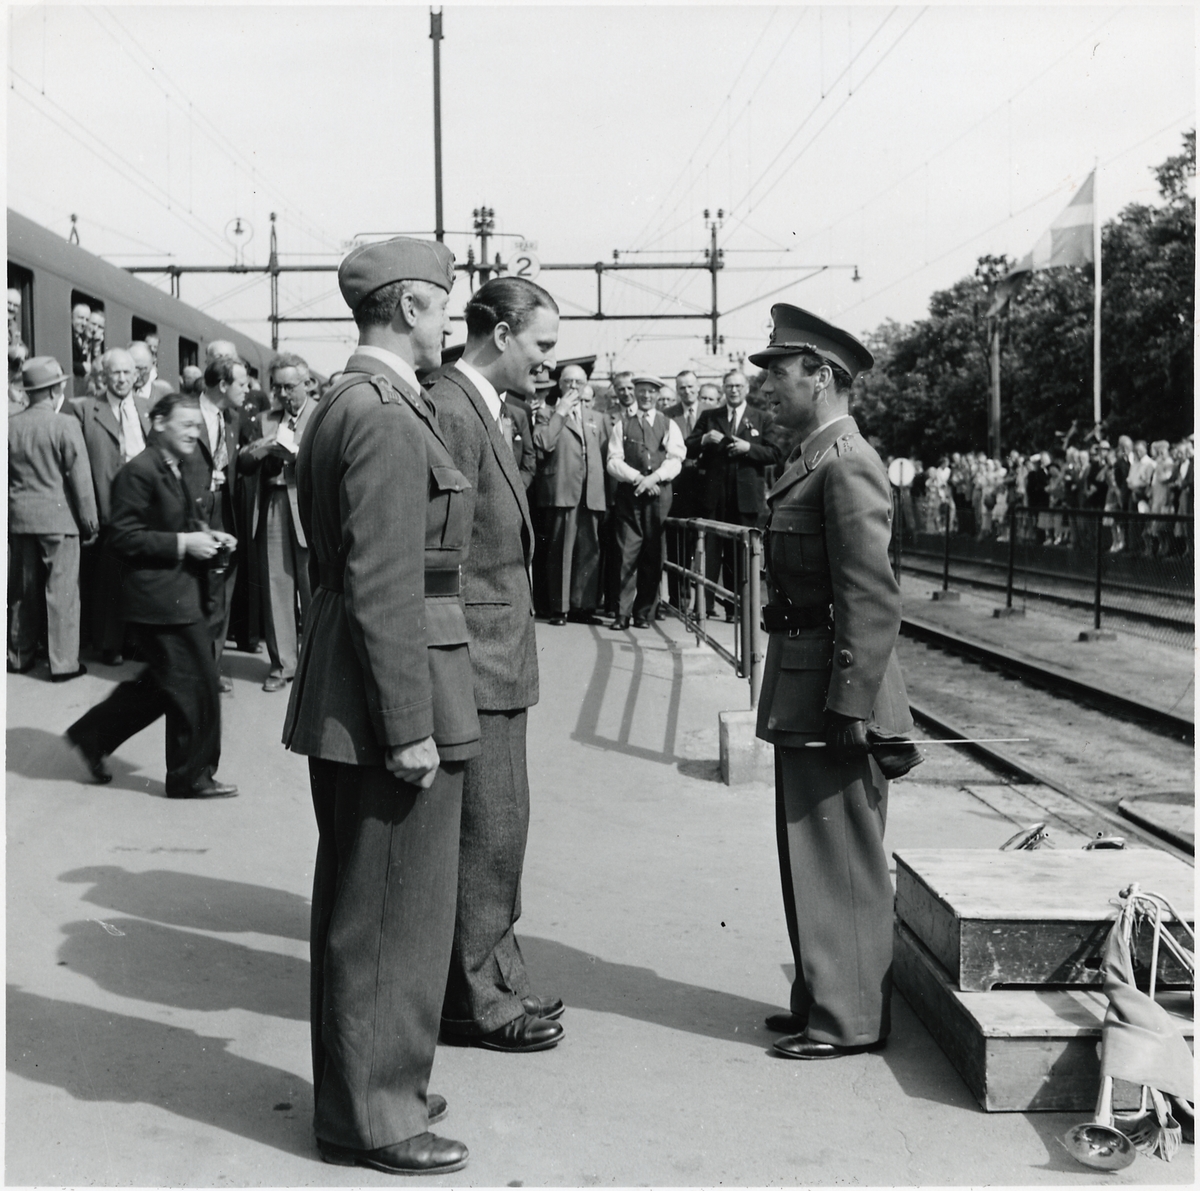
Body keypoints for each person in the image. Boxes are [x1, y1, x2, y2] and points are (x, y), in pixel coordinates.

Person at [281, 235, 475, 1176]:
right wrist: (410, 728)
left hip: (348, 682)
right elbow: (386, 581)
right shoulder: (388, 415)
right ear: (407, 307)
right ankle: (376, 1113)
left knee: (362, 902)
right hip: (391, 692)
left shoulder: (342, 401)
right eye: (443, 306)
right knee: (395, 910)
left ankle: (369, 1083)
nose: (449, 323)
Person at [750, 303, 912, 1060]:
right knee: (812, 849)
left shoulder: (846, 463)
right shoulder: (815, 459)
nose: (767, 387)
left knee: (840, 852)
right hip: (806, 680)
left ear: (820, 376)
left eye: (778, 373)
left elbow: (870, 596)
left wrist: (851, 705)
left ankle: (848, 1020)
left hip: (833, 691)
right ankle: (822, 995)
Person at [426, 275, 566, 1053]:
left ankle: (498, 975)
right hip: (477, 653)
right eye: (543, 344)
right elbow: (437, 552)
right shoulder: (455, 408)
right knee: (487, 831)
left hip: (495, 645)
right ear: (503, 333)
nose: (550, 360)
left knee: (500, 828)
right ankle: (477, 1000)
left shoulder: (482, 404)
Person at [64, 391, 237, 797]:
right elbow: (122, 537)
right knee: (197, 686)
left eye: (197, 426)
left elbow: (175, 519)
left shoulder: (172, 465)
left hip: (177, 595)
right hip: (159, 601)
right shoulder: (139, 471)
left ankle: (92, 735)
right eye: (186, 425)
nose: (194, 433)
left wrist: (209, 535)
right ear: (158, 424)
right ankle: (190, 778)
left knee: (165, 684)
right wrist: (184, 544)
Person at [8, 356, 99, 680]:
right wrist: (90, 523)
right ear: (52, 390)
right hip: (59, 521)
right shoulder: (65, 424)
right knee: (62, 593)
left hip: (20, 519)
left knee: (22, 592)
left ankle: (18, 656)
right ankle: (63, 663)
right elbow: (80, 481)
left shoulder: (10, 425)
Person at [70, 348, 152, 663]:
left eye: (127, 372)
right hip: (108, 503)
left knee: (141, 576)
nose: (121, 379)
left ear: (136, 375)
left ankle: (138, 642)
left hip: (145, 502)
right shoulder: (84, 410)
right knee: (110, 578)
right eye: (115, 373)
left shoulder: (148, 408)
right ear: (104, 376)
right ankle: (111, 645)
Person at [242, 354, 314, 691]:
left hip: (309, 505)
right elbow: (245, 461)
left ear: (307, 384)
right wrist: (262, 449)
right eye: (277, 388)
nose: (283, 395)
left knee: (314, 588)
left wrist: (299, 456)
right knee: (276, 584)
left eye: (289, 387)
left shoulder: (322, 414)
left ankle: (315, 666)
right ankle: (283, 665)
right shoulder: (265, 419)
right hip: (274, 502)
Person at [685, 369, 781, 618]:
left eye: (738, 386)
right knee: (710, 551)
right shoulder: (710, 416)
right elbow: (688, 448)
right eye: (729, 386)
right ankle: (703, 607)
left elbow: (774, 453)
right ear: (723, 389)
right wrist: (704, 439)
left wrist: (749, 448)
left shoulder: (762, 418)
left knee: (740, 554)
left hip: (745, 498)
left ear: (746, 389)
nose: (734, 390)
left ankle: (736, 609)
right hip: (713, 496)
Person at [188, 357, 250, 686]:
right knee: (192, 592)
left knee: (219, 593)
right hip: (192, 512)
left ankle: (211, 670)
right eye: (242, 383)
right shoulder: (185, 412)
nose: (247, 390)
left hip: (224, 513)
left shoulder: (234, 418)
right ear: (223, 385)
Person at [607, 374, 686, 629]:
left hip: (658, 496)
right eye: (641, 391)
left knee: (653, 554)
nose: (645, 396)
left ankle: (643, 613)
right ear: (635, 392)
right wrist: (638, 478)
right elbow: (613, 461)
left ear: (657, 395)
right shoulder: (622, 425)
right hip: (630, 496)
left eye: (651, 391)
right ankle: (622, 613)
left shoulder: (668, 424)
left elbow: (676, 459)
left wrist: (654, 478)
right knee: (626, 552)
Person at [532, 363, 608, 626]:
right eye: (568, 382)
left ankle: (582, 606)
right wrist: (561, 412)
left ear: (586, 384)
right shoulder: (547, 413)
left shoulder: (597, 417)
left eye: (579, 382)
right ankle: (560, 607)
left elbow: (605, 454)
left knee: (589, 550)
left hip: (591, 493)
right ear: (560, 384)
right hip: (563, 490)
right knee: (561, 551)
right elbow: (544, 443)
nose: (574, 387)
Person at [663, 370, 705, 611]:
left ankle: (704, 603)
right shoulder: (668, 415)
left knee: (704, 546)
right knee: (678, 544)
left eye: (690, 386)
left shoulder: (711, 412)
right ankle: (678, 600)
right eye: (682, 388)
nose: (687, 391)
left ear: (698, 387)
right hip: (678, 487)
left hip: (705, 487)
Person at [128, 341, 173, 405]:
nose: (137, 375)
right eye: (131, 369)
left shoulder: (164, 391)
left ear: (152, 365)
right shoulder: (119, 391)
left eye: (142, 369)